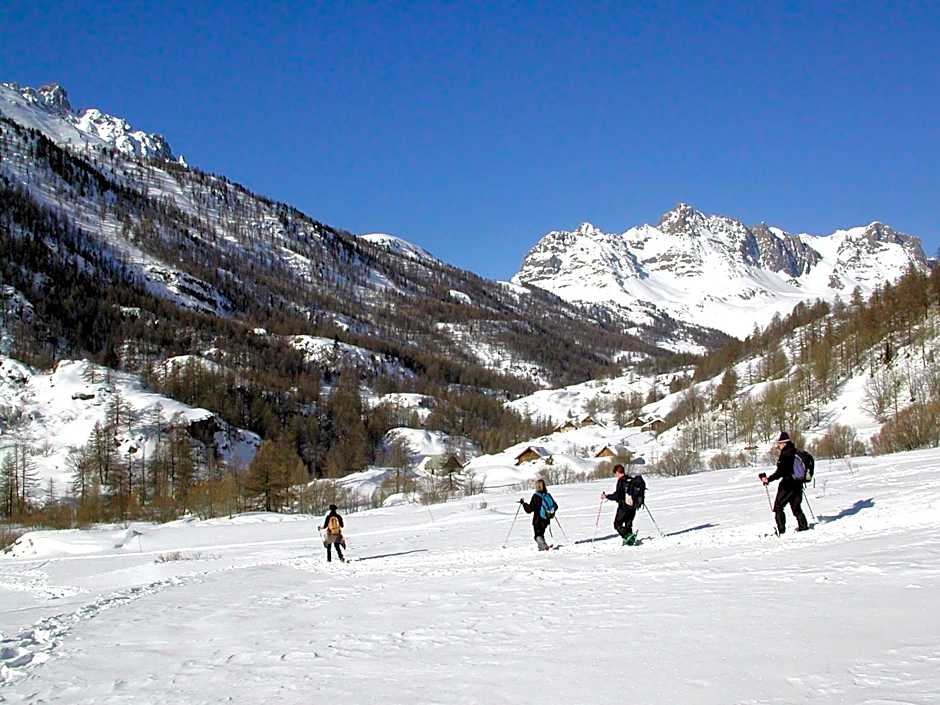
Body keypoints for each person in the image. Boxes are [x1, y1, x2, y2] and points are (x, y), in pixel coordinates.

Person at [760, 432, 809, 534]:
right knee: (796, 507)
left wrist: (768, 479)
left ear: (785, 443)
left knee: (778, 507)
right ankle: (803, 527)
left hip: (787, 485)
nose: (779, 445)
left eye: (780, 443)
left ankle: (781, 531)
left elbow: (780, 472)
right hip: (798, 484)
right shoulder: (795, 452)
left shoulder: (785, 455)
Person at [602, 464, 640, 545]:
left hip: (623, 507)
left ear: (618, 472)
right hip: (633, 507)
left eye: (615, 473)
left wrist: (607, 496)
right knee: (628, 525)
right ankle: (630, 541)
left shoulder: (621, 481)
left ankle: (627, 536)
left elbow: (618, 495)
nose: (615, 475)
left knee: (617, 524)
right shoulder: (631, 479)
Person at [519, 479, 557, 551]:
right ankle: (544, 546)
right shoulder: (547, 495)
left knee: (537, 535)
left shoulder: (536, 496)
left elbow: (529, 509)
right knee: (541, 534)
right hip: (546, 519)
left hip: (538, 520)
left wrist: (523, 504)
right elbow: (556, 506)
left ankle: (542, 547)